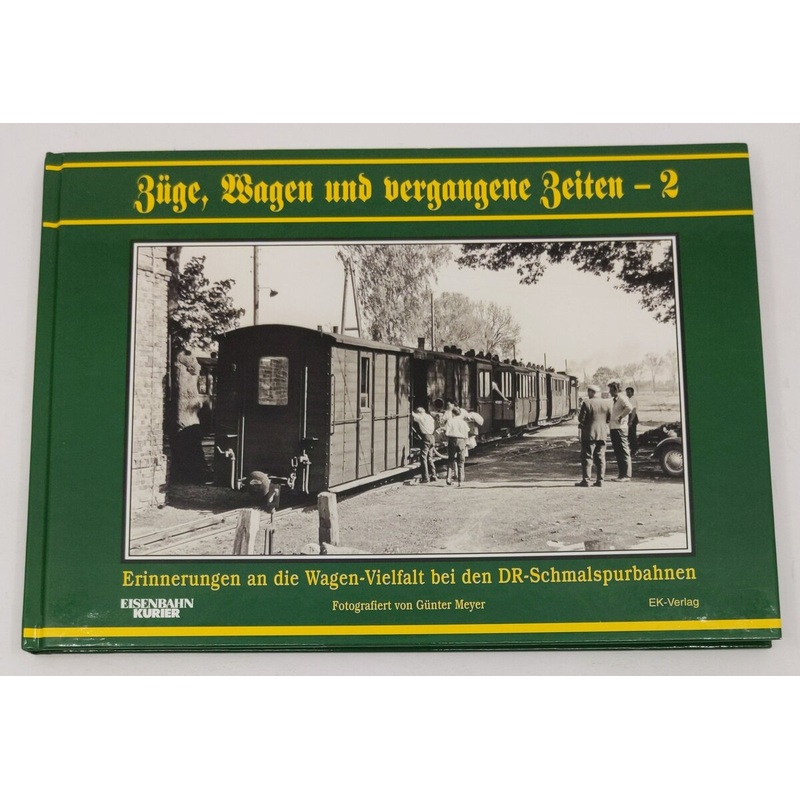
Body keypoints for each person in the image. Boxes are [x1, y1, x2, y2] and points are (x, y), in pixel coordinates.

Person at [576, 385, 611, 487]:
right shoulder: (606, 403)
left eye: (588, 392)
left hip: (589, 434)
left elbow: (581, 419)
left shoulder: (587, 403)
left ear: (591, 392)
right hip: (602, 434)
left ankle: (586, 480)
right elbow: (608, 419)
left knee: (587, 456)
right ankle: (600, 480)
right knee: (601, 457)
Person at [608, 380, 634, 482]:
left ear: (616, 389)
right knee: (618, 452)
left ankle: (626, 475)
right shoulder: (615, 399)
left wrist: (621, 417)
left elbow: (629, 407)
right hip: (614, 428)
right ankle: (621, 475)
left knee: (623, 451)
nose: (609, 392)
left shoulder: (622, 398)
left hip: (620, 428)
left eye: (611, 389)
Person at [443, 405, 470, 486]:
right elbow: (466, 433)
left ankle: (448, 479)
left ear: (453, 413)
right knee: (461, 461)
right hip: (461, 441)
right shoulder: (463, 423)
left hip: (452, 440)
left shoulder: (450, 421)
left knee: (450, 459)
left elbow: (446, 432)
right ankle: (460, 481)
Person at [412, 406, 438, 483]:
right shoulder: (429, 417)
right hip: (432, 437)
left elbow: (412, 414)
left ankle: (425, 478)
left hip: (426, 437)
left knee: (423, 457)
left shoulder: (420, 417)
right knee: (430, 457)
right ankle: (434, 475)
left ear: (419, 413)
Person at [625, 386, 639, 456]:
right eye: (627, 392)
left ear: (632, 393)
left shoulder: (633, 399)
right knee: (630, 435)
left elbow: (633, 411)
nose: (628, 393)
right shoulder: (628, 399)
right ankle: (632, 449)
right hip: (629, 417)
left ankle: (635, 450)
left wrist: (631, 421)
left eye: (629, 392)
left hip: (632, 417)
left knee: (632, 435)